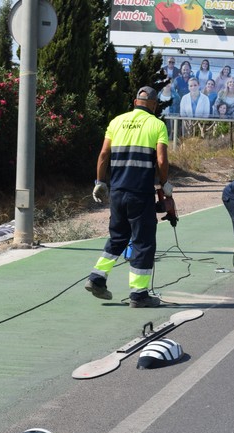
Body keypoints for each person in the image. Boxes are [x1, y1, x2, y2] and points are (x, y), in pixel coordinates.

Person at [87, 86, 174, 308]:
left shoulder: (116, 122)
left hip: (117, 191)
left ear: (135, 102)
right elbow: (162, 161)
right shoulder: (157, 125)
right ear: (154, 105)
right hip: (140, 193)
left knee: (118, 237)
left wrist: (100, 183)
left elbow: (104, 154)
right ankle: (139, 295)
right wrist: (164, 184)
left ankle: (97, 278)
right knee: (143, 242)